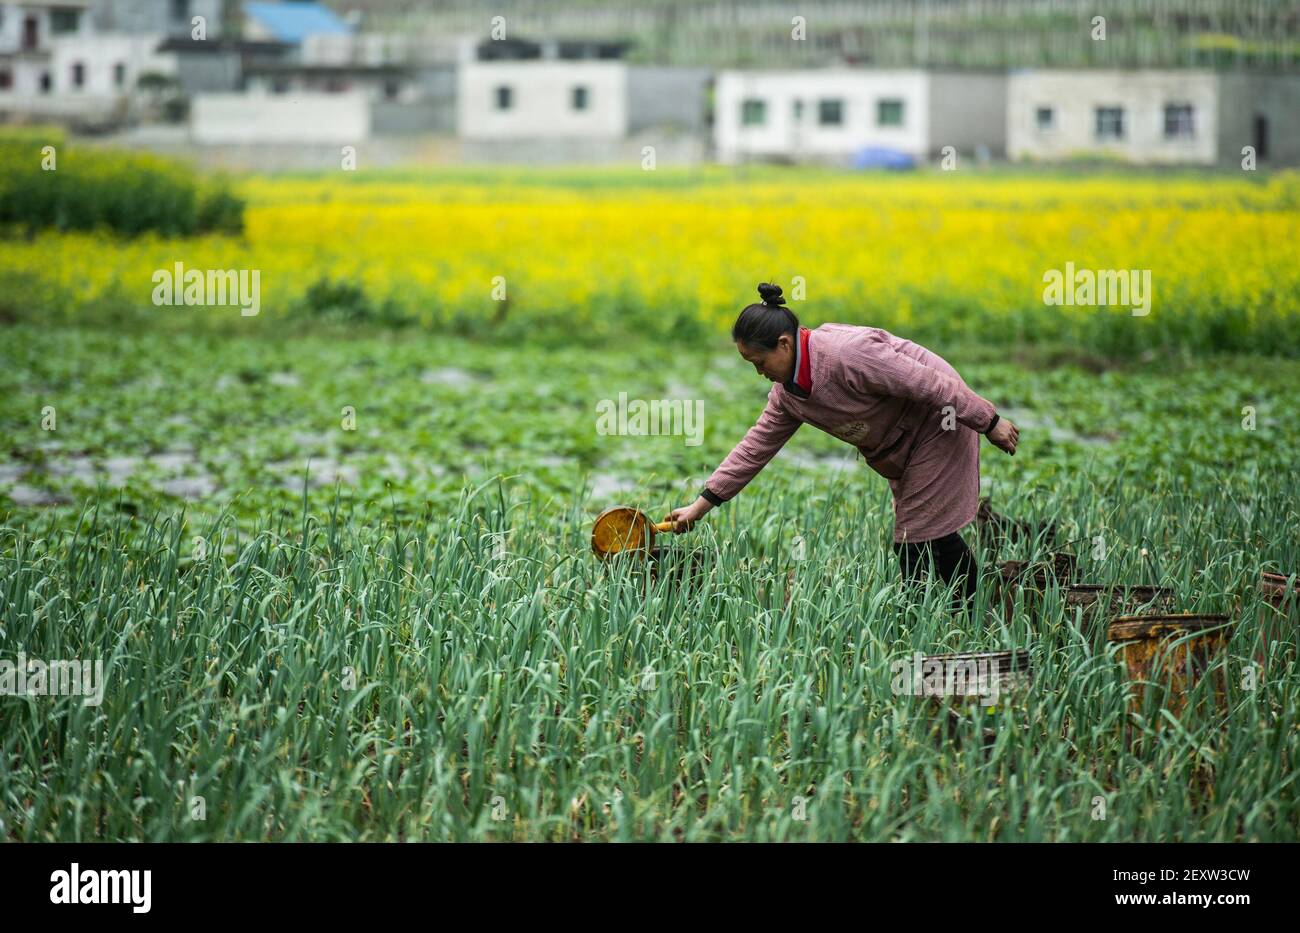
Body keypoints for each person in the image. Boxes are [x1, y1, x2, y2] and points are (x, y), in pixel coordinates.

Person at [667, 283, 1020, 611]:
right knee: (931, 534)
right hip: (901, 444)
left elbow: (930, 383)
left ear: (785, 344)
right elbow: (754, 448)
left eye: (760, 362)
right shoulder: (788, 396)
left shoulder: (849, 355)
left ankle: (919, 620)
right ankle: (976, 611)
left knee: (914, 537)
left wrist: (989, 422)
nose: (759, 372)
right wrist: (700, 506)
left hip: (941, 421)